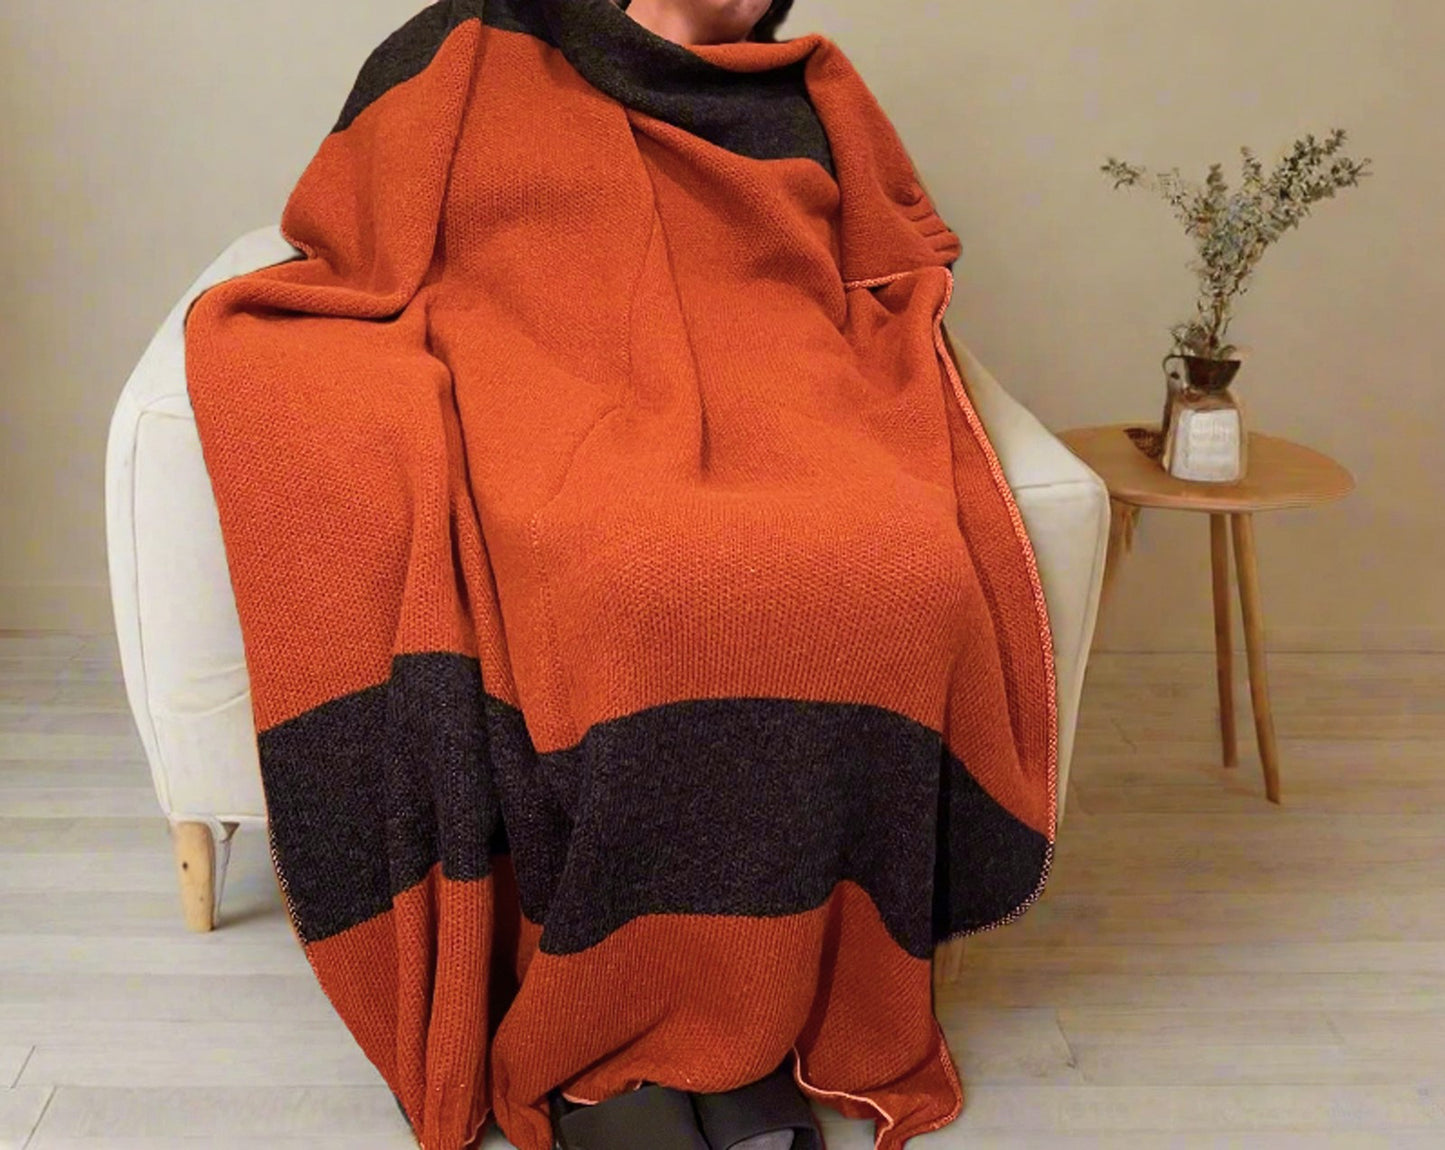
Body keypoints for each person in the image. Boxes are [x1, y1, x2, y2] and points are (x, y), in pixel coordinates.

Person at [184, 0, 1056, 1147]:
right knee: (634, 585)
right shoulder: (462, 43)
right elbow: (349, 237)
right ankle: (615, 1052)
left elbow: (885, 267)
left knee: (889, 577)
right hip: (532, 386)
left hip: (779, 391)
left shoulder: (800, 92)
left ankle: (745, 1028)